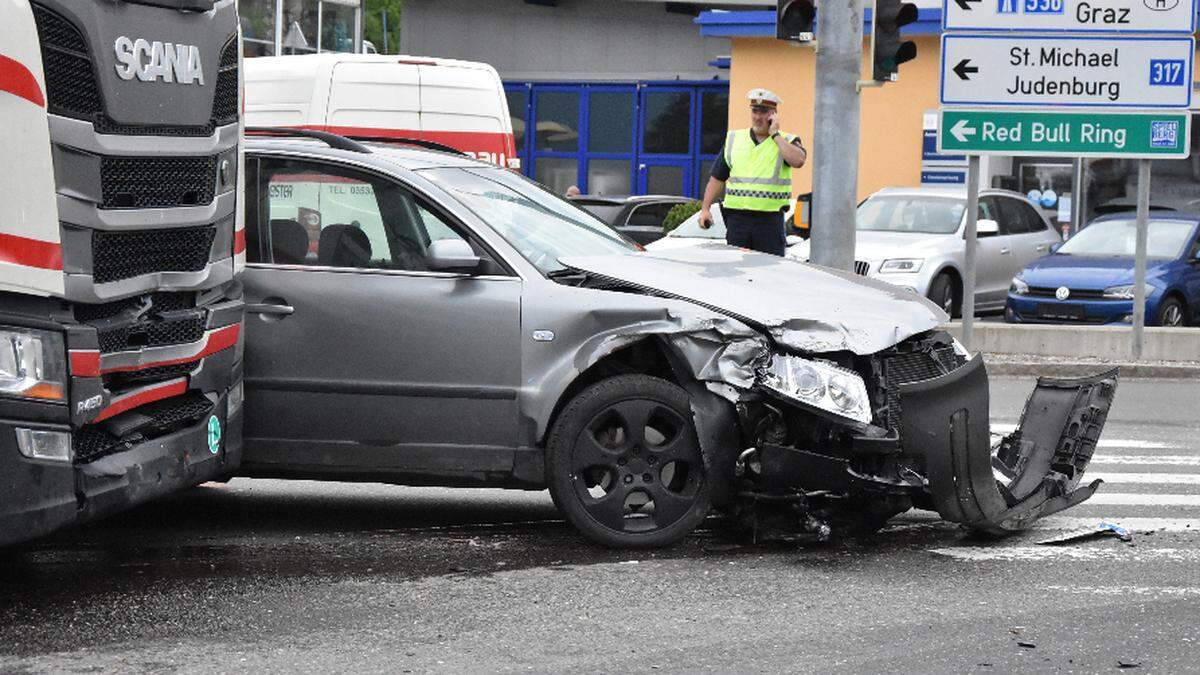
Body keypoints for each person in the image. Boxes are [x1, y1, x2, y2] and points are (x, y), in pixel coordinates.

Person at [699, 88, 807, 256]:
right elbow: (717, 177)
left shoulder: (786, 140)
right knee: (735, 276)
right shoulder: (734, 139)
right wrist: (705, 209)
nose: (758, 116)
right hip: (737, 222)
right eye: (755, 111)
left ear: (773, 115)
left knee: (768, 275)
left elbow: (798, 161)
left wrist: (775, 135)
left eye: (763, 112)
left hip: (769, 223)